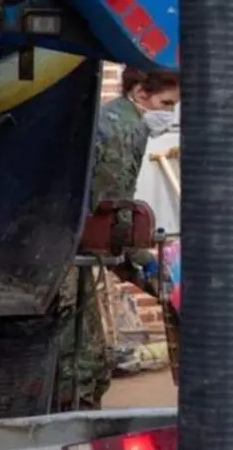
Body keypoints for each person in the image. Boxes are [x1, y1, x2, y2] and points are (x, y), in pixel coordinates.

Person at [55, 67, 180, 413]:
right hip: (65, 249)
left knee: (84, 355)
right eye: (165, 103)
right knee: (84, 362)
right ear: (140, 92)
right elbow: (112, 211)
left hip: (57, 243)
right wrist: (146, 262)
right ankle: (72, 432)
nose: (169, 115)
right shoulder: (125, 128)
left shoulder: (108, 117)